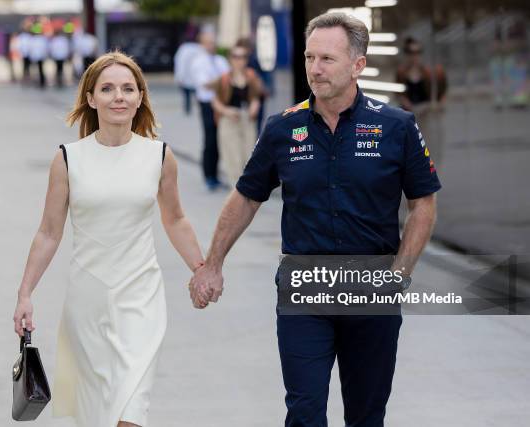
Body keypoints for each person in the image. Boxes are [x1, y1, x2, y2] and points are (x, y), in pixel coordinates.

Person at [189, 12, 441, 427]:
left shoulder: (396, 126)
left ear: (358, 65)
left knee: (366, 414)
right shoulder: (282, 129)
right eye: (309, 57)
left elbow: (423, 204)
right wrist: (212, 263)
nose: (314, 69)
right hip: (304, 285)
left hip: (370, 285)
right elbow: (246, 197)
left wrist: (399, 275)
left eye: (327, 58)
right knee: (304, 413)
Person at [12, 51, 204, 427]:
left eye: (128, 88)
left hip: (141, 300)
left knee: (132, 408)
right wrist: (25, 294)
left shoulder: (160, 156)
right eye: (108, 88)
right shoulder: (68, 159)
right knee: (98, 415)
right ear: (91, 98)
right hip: (88, 304)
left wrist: (201, 268)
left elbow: (176, 219)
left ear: (140, 97)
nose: (119, 96)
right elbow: (49, 233)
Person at [211, 43, 263, 187]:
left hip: (247, 119)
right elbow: (214, 101)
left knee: (249, 156)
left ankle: (248, 189)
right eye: (235, 56)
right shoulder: (223, 78)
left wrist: (254, 106)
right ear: (230, 59)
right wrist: (226, 111)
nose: (239, 60)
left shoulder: (251, 76)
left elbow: (256, 97)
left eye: (242, 57)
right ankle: (236, 190)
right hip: (229, 120)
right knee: (232, 157)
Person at [396, 37, 447, 165]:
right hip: (410, 114)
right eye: (411, 53)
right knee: (411, 147)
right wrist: (406, 103)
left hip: (426, 112)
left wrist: (437, 104)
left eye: (417, 52)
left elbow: (443, 90)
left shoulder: (429, 72)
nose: (414, 56)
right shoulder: (402, 72)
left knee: (428, 144)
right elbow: (399, 92)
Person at [190, 31, 230, 191]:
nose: (211, 45)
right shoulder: (198, 62)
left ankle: (216, 175)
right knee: (210, 139)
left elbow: (229, 78)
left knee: (221, 138)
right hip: (207, 104)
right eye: (208, 42)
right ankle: (209, 176)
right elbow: (205, 84)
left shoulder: (220, 60)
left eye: (213, 42)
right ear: (202, 44)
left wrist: (219, 82)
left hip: (222, 102)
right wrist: (221, 81)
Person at [173, 35, 201, 115]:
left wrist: (179, 76)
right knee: (198, 93)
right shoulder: (198, 48)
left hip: (185, 77)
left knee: (187, 95)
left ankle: (187, 109)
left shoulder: (183, 49)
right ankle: (200, 107)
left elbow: (179, 63)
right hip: (195, 77)